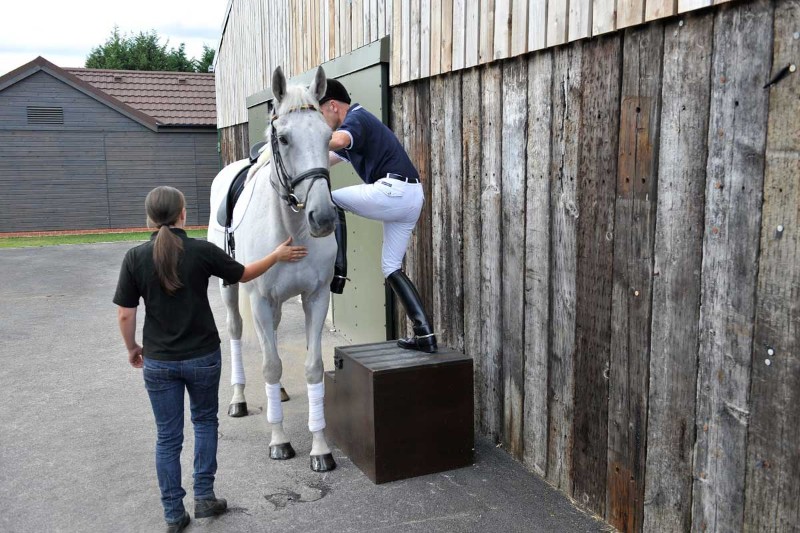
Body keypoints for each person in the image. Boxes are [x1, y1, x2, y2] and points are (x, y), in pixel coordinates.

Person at [113, 186, 307, 532]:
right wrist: (276, 255)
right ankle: (204, 497)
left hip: (159, 362)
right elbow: (245, 274)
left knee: (167, 438)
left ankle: (173, 514)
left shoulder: (134, 257)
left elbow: (126, 315)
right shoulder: (201, 251)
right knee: (204, 423)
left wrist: (132, 348)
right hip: (202, 357)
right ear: (182, 214)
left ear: (149, 218)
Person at [320, 78, 437, 354]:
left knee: (329, 199)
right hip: (410, 197)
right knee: (391, 267)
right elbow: (325, 158)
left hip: (394, 191)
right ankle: (425, 335)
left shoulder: (356, 120)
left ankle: (338, 272)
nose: (319, 122)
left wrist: (302, 133)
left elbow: (337, 140)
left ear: (333, 106)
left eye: (319, 114)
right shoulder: (357, 131)